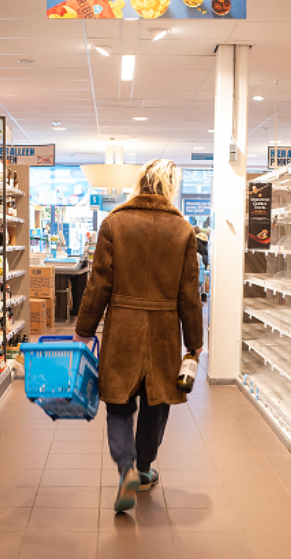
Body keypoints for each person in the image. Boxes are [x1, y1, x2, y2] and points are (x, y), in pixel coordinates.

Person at [74, 159, 204, 512]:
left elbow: (98, 284)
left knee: (119, 404)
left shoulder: (114, 222)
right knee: (156, 401)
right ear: (170, 187)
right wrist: (194, 339)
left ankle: (126, 468)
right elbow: (189, 295)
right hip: (163, 329)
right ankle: (145, 468)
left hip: (124, 326)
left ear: (140, 182)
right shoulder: (183, 231)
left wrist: (84, 329)